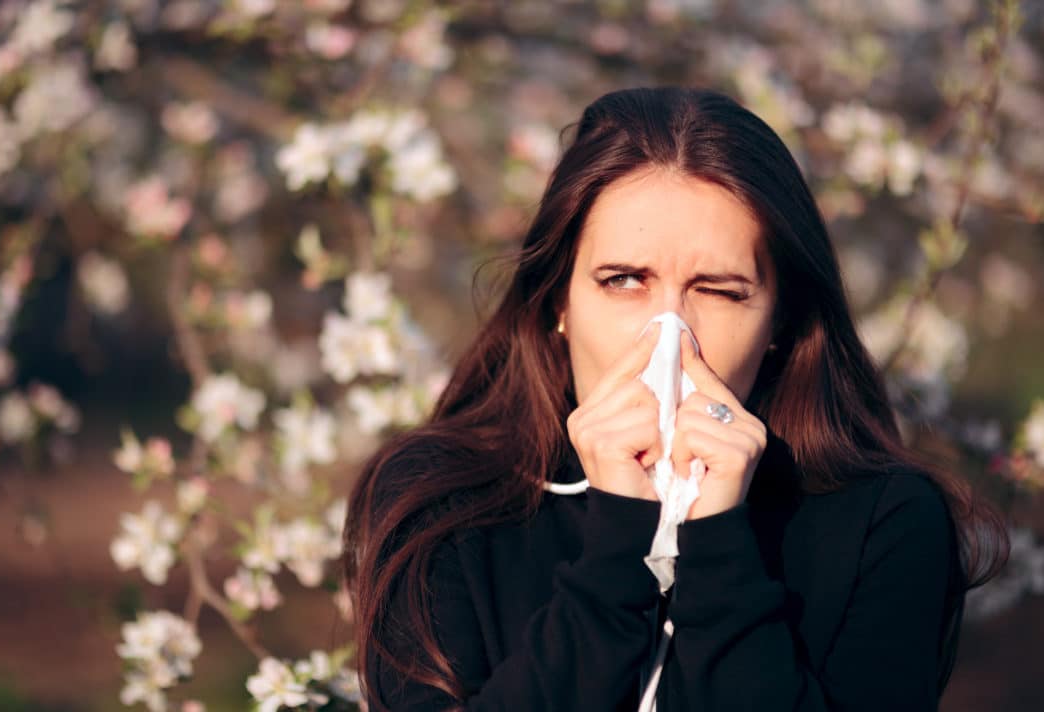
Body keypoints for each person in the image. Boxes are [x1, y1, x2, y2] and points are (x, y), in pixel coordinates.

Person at [342, 86, 1008, 711]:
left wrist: (719, 550)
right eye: (623, 280)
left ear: (779, 319)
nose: (669, 334)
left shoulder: (885, 522)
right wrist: (615, 556)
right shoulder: (436, 503)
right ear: (559, 301)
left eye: (718, 291)